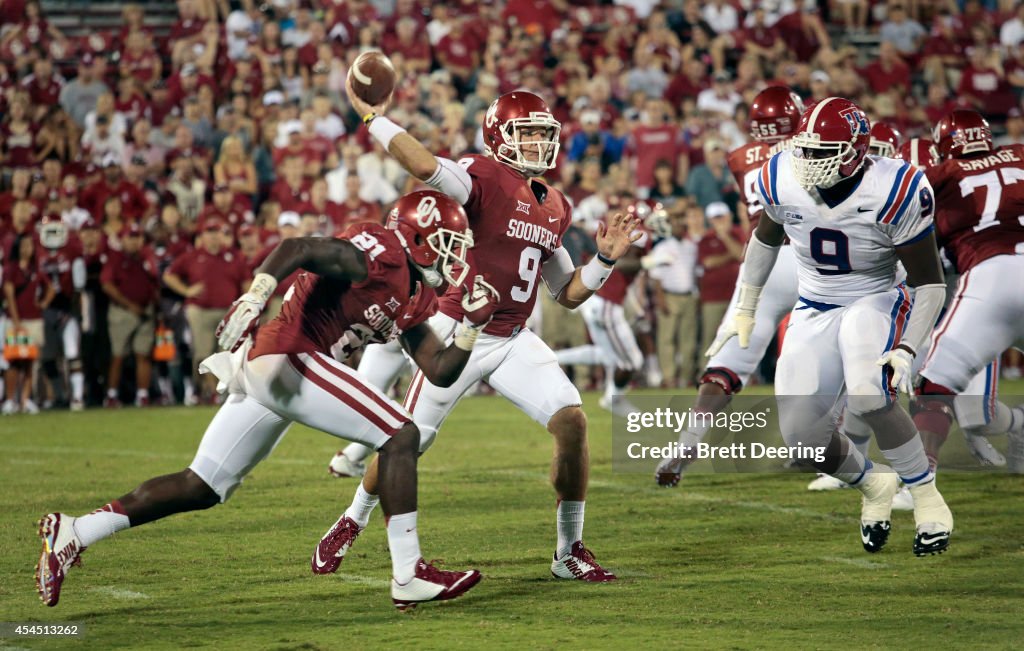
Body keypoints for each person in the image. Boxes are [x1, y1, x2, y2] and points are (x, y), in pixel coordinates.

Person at [35, 190, 496, 610]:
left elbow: (438, 369)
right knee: (401, 433)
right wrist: (256, 296)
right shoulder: (382, 255)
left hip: (280, 370)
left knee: (203, 485)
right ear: (417, 237)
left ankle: (76, 531)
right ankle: (408, 571)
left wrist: (472, 328)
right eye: (447, 242)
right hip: (289, 356)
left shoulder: (414, 290)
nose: (454, 255)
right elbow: (299, 249)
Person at [322, 84, 641, 582]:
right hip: (458, 331)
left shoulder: (555, 203)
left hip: (513, 336)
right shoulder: (480, 175)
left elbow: (567, 292)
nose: (539, 142)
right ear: (499, 135)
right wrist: (372, 119)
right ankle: (352, 518)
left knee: (573, 422)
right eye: (528, 132)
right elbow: (424, 165)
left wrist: (604, 259)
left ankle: (569, 550)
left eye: (543, 133)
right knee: (407, 443)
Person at [713, 97, 953, 557]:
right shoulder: (782, 172)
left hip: (875, 296)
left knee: (868, 393)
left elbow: (929, 283)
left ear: (858, 152)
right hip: (813, 304)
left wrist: (906, 347)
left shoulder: (895, 187)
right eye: (806, 150)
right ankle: (874, 483)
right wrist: (746, 305)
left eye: (825, 154)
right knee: (802, 440)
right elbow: (764, 240)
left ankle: (926, 496)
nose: (809, 163)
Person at [657, 86, 805, 486]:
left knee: (728, 361)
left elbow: (751, 213)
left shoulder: (740, 157)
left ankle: (689, 440)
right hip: (813, 257)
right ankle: (824, 443)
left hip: (762, 261)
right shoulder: (812, 147)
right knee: (830, 355)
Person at [913, 109, 1024, 474]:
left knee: (935, 386)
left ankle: (919, 485)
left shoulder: (939, 175)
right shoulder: (1020, 154)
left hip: (991, 275)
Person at [101, 223, 159, 408]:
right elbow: (107, 285)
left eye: (137, 237)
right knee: (118, 355)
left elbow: (154, 284)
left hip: (145, 310)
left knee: (143, 354)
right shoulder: (116, 259)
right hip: (122, 312)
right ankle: (111, 395)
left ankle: (142, 395)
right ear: (123, 239)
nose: (134, 241)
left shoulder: (146, 258)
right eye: (130, 237)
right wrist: (129, 305)